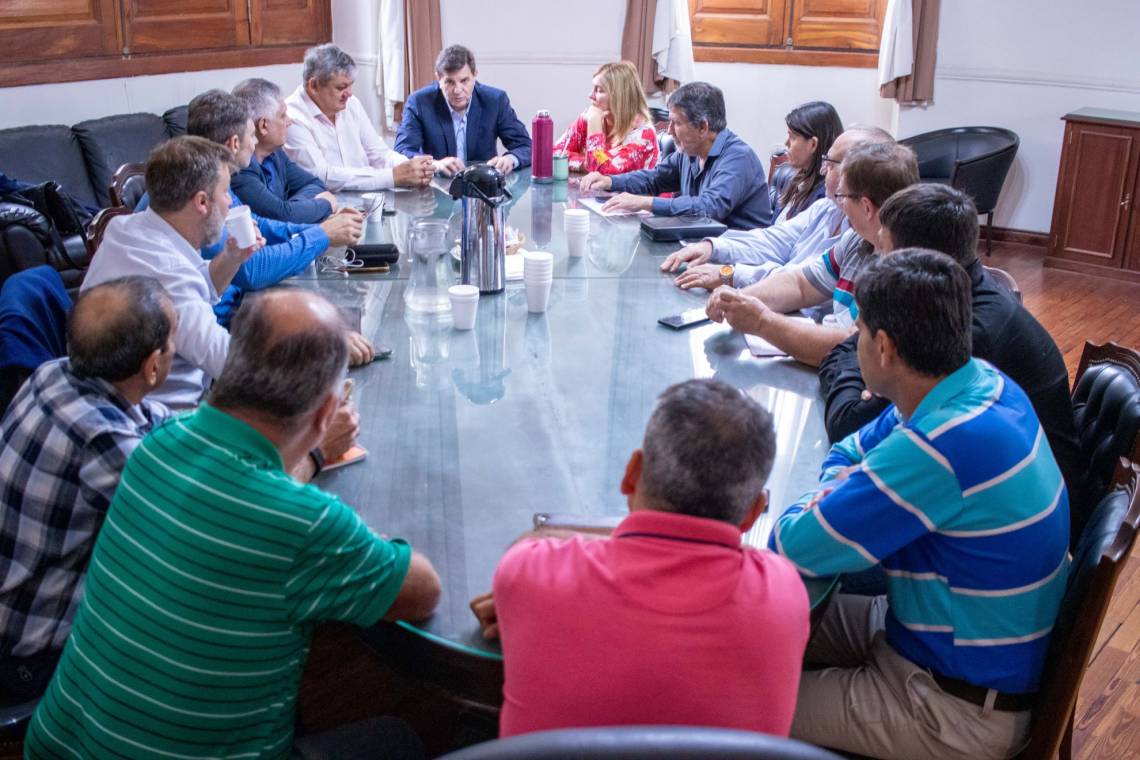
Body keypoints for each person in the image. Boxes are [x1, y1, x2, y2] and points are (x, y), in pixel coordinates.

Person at [25, 288, 442, 759]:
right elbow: (423, 591)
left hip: (58, 745)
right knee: (399, 736)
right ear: (327, 413)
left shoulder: (156, 444)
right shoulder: (304, 523)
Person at [771, 249, 1070, 760]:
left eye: (858, 330)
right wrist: (851, 482)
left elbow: (793, 545)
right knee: (751, 630)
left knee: (735, 699)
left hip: (951, 709)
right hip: (930, 640)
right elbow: (850, 449)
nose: (852, 340)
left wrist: (843, 488)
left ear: (883, 347)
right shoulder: (977, 383)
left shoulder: (940, 446)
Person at [470, 378, 810, 738]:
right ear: (753, 512)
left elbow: (530, 546)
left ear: (632, 473)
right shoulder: (784, 593)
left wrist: (525, 596)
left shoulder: (531, 575)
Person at [818, 182, 1085, 542]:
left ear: (915, 262)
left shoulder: (963, 334)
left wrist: (847, 354)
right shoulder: (965, 302)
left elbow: (849, 423)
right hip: (1002, 501)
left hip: (1002, 528)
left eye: (883, 250)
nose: (877, 261)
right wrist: (853, 354)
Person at [0, 277, 174, 706]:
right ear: (153, 367)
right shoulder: (106, 442)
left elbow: (153, 420)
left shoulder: (52, 373)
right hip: (29, 659)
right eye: (174, 343)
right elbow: (202, 526)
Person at [139, 89, 367, 330]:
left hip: (233, 312)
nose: (256, 141)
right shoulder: (196, 192)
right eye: (252, 135)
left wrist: (320, 229)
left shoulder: (211, 178)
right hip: (221, 326)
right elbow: (253, 269)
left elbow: (259, 223)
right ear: (234, 144)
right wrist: (321, 235)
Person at [83, 136, 259, 409]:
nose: (229, 204)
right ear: (202, 202)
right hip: (171, 419)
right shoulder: (170, 274)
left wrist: (232, 257)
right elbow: (230, 365)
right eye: (226, 193)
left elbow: (197, 290)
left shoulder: (125, 228)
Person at [705, 141, 918, 365]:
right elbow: (801, 284)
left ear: (866, 207)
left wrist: (761, 321)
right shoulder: (856, 241)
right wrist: (740, 299)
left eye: (843, 196)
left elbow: (854, 347)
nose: (840, 204)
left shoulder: (903, 270)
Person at [663, 125, 892, 290]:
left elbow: (802, 280)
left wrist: (730, 274)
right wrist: (712, 247)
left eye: (830, 164)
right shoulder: (826, 208)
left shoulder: (866, 236)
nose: (823, 171)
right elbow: (773, 240)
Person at [580, 82, 773, 230]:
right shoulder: (690, 152)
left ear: (703, 127)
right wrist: (609, 181)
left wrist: (646, 203)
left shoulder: (739, 158)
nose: (669, 131)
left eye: (676, 123)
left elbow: (709, 208)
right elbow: (654, 179)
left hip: (738, 263)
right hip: (701, 247)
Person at [286, 44, 434, 191]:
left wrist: (412, 167)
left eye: (350, 85)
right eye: (341, 87)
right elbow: (322, 176)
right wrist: (392, 177)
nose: (349, 93)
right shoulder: (292, 117)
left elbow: (378, 153)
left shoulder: (351, 104)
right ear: (313, 86)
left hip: (367, 199)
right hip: (326, 207)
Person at [395, 44, 532, 177]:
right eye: (449, 82)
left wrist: (510, 159)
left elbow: (527, 146)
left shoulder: (495, 101)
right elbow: (402, 152)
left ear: (475, 75)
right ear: (438, 78)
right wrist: (435, 165)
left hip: (483, 188)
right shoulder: (419, 102)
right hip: (436, 190)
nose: (457, 90)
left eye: (464, 80)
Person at [231, 77, 338, 224]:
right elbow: (281, 217)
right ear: (263, 126)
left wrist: (292, 209)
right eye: (282, 115)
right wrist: (324, 204)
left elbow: (314, 184)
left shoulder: (276, 154)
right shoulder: (240, 169)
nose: (289, 122)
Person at [552, 61, 659, 175]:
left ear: (619, 96)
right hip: (598, 192)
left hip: (638, 193)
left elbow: (601, 171)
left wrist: (594, 127)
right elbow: (556, 154)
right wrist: (584, 163)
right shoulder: (587, 120)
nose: (590, 95)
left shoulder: (643, 136)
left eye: (599, 90)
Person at [772, 101, 844, 221]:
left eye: (792, 137)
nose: (786, 143)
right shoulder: (798, 180)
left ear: (813, 144)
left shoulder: (824, 196)